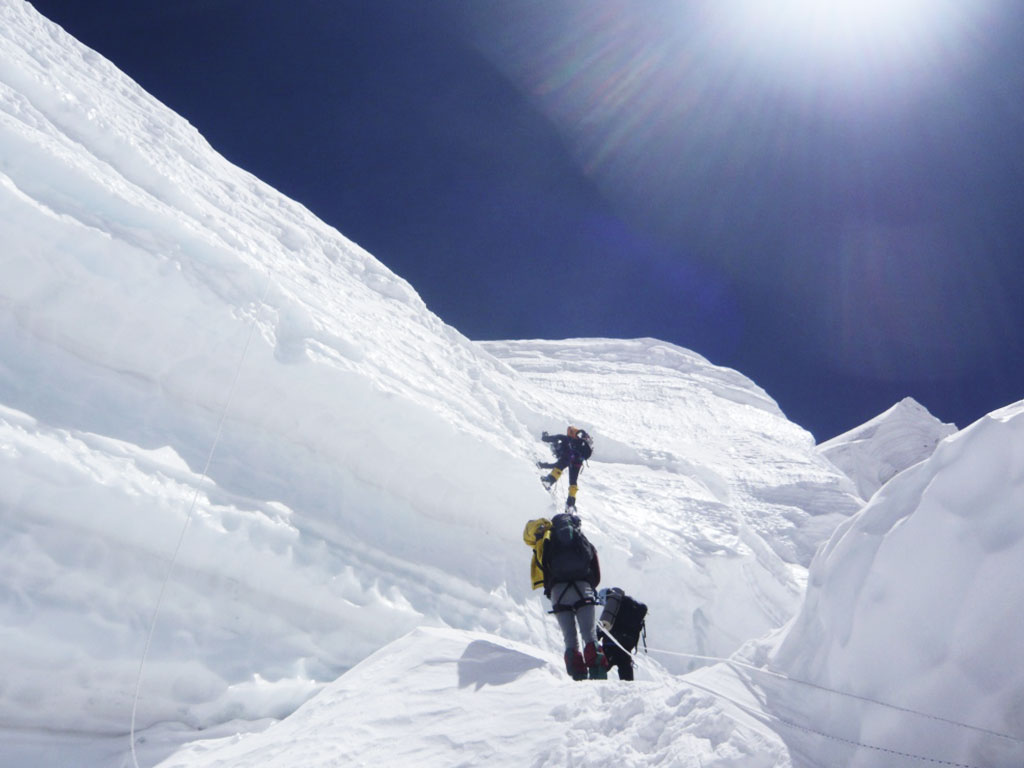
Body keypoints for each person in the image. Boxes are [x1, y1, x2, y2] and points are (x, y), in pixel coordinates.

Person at [523, 513, 606, 680]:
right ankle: (598, 678)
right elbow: (595, 569)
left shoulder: (547, 541)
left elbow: (543, 567)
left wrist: (551, 590)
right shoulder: (581, 539)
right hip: (584, 589)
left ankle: (578, 679)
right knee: (589, 635)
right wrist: (589, 586)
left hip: (558, 592)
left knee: (570, 639)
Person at [597, 587, 648, 682]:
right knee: (626, 675)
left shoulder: (612, 607)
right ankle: (630, 692)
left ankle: (594, 688)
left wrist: (595, 638)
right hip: (626, 647)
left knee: (600, 669)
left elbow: (602, 626)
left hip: (610, 645)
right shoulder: (628, 606)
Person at [538, 426, 594, 510]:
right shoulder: (580, 443)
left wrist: (545, 436)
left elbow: (547, 439)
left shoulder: (564, 439)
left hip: (569, 459)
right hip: (578, 462)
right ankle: (570, 504)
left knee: (559, 466)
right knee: (573, 482)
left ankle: (549, 481)